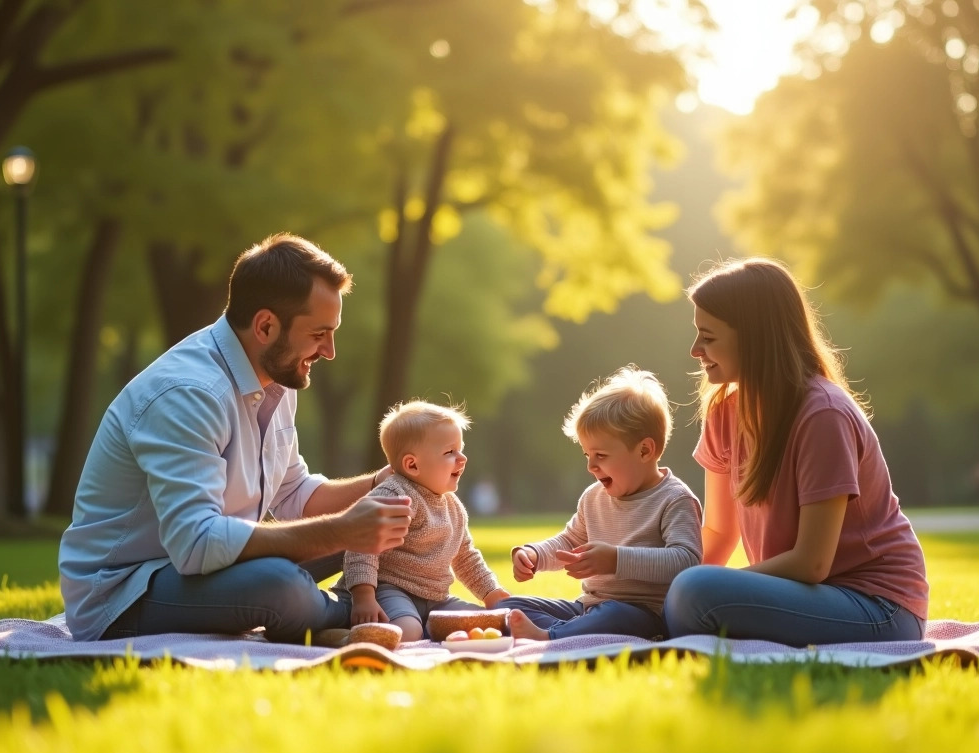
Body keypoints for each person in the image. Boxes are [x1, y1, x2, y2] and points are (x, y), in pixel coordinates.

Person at [58, 234, 412, 643]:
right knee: (280, 584)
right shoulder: (189, 393)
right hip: (125, 593)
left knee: (392, 526)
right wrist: (342, 531)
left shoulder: (278, 380)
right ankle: (355, 614)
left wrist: (381, 485)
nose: (329, 351)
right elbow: (197, 544)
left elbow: (294, 494)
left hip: (209, 567)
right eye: (319, 334)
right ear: (265, 326)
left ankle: (379, 604)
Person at [664, 258, 929, 646]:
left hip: (878, 608)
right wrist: (651, 583)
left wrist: (692, 587)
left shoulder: (823, 414)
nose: (694, 350)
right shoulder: (724, 412)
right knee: (675, 592)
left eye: (708, 337)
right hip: (806, 596)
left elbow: (812, 562)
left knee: (694, 592)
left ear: (754, 337)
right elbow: (719, 533)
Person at [496, 367, 702, 641]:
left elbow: (686, 561)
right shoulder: (593, 497)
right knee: (506, 607)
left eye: (601, 455)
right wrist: (534, 555)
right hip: (587, 607)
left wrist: (616, 559)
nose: (591, 466)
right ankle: (570, 631)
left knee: (614, 615)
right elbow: (570, 541)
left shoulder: (674, 499)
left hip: (643, 614)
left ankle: (551, 637)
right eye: (586, 454)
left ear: (644, 450)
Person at [339, 401, 511, 642]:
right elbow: (361, 545)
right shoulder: (394, 495)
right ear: (413, 464)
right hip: (389, 589)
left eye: (461, 449)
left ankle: (429, 628)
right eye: (450, 452)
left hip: (437, 597)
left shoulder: (453, 507)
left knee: (489, 624)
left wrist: (491, 592)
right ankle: (343, 636)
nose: (462, 459)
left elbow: (465, 557)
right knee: (406, 632)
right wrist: (364, 597)